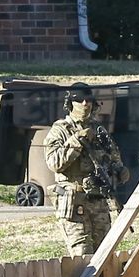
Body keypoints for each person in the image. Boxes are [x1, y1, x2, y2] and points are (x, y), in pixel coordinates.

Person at [44, 83, 129, 256]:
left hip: (98, 201)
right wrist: (76, 142)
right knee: (82, 256)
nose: (85, 104)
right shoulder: (60, 130)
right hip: (74, 202)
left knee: (105, 255)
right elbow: (54, 162)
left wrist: (120, 171)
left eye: (89, 100)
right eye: (80, 100)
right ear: (70, 103)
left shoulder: (98, 129)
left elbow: (112, 156)